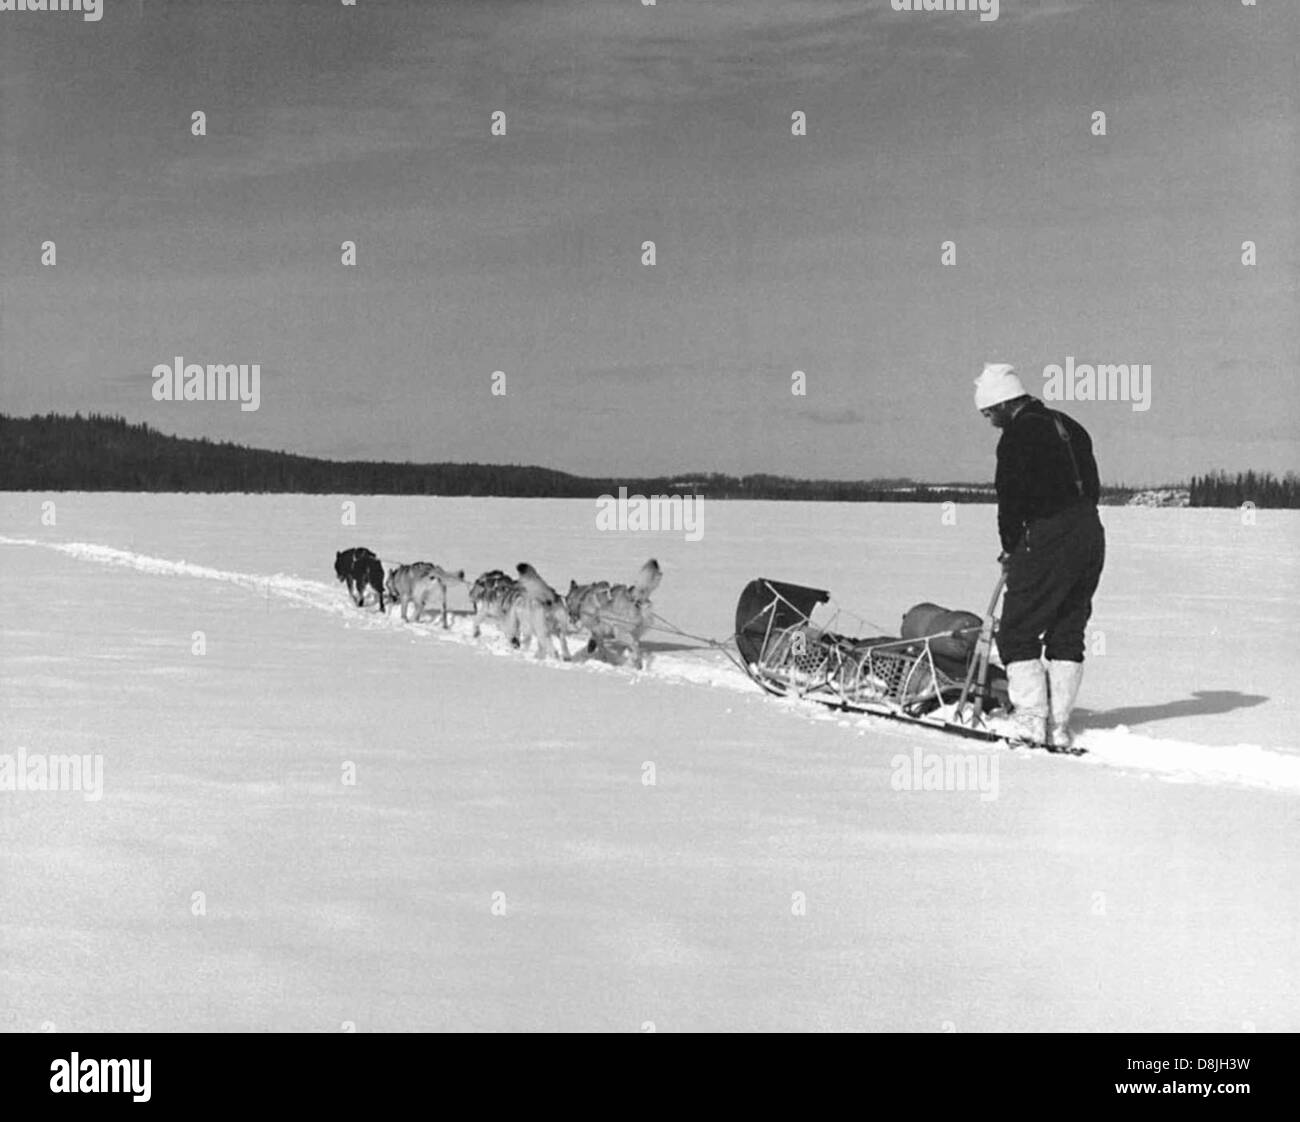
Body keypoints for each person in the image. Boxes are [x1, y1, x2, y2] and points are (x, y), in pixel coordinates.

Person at [974, 363, 1105, 748]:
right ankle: (1059, 726)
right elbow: (1092, 486)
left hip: (1047, 534)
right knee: (1068, 628)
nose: (988, 420)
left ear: (1003, 403)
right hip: (1089, 532)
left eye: (988, 412)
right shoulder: (1068, 425)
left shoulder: (1018, 435)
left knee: (1017, 630)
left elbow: (1011, 498)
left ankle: (1031, 721)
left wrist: (1011, 546)